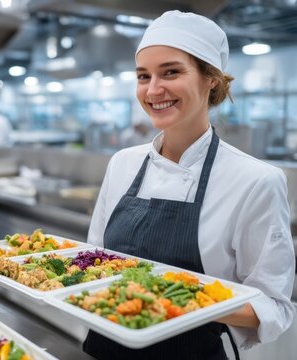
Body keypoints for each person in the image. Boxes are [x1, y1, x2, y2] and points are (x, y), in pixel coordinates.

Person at [85, 10, 295, 359]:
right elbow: (94, 261)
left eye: (171, 72)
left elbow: (273, 306)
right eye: (143, 76)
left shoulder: (255, 181)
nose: (153, 90)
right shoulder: (122, 164)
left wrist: (171, 298)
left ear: (210, 78)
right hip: (104, 349)